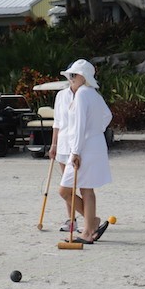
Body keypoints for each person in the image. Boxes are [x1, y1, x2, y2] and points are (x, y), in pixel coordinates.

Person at [58, 59, 112, 244]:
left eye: (74, 75)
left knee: (65, 190)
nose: (71, 78)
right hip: (95, 144)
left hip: (84, 147)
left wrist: (75, 151)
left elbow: (79, 126)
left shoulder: (82, 94)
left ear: (83, 77)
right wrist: (96, 130)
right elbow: (108, 115)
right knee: (87, 189)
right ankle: (90, 228)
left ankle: (90, 227)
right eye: (70, 75)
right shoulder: (94, 94)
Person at [49, 76, 78, 233]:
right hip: (63, 143)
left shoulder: (85, 94)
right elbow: (57, 122)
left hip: (78, 145)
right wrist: (53, 144)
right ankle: (71, 220)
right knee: (66, 185)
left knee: (82, 185)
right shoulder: (61, 95)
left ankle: (90, 220)